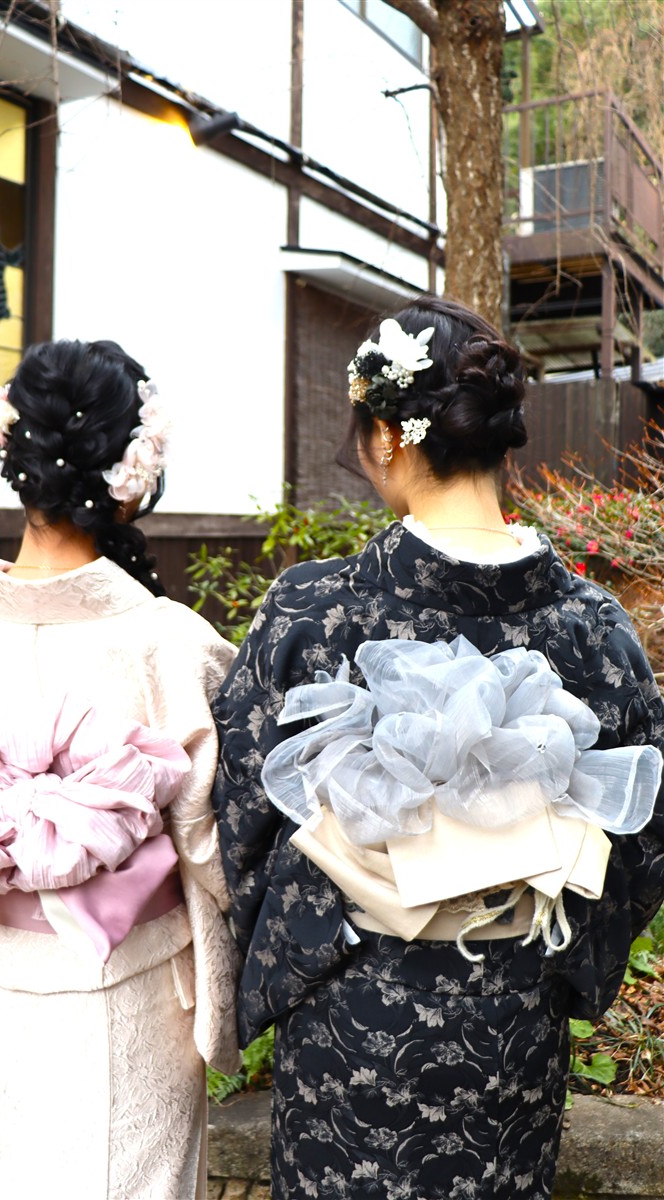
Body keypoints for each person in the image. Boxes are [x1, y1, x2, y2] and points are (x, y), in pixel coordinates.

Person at [210, 295, 664, 1200]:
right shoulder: (594, 627)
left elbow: (247, 822)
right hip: (514, 1024)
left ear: (387, 436)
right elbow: (641, 842)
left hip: (348, 1018)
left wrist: (307, 941)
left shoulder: (312, 611)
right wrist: (555, 963)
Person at [0, 339, 240, 1200]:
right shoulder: (170, 642)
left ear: (16, 459)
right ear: (131, 477)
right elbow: (214, 849)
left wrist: (4, 848)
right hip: (137, 979)